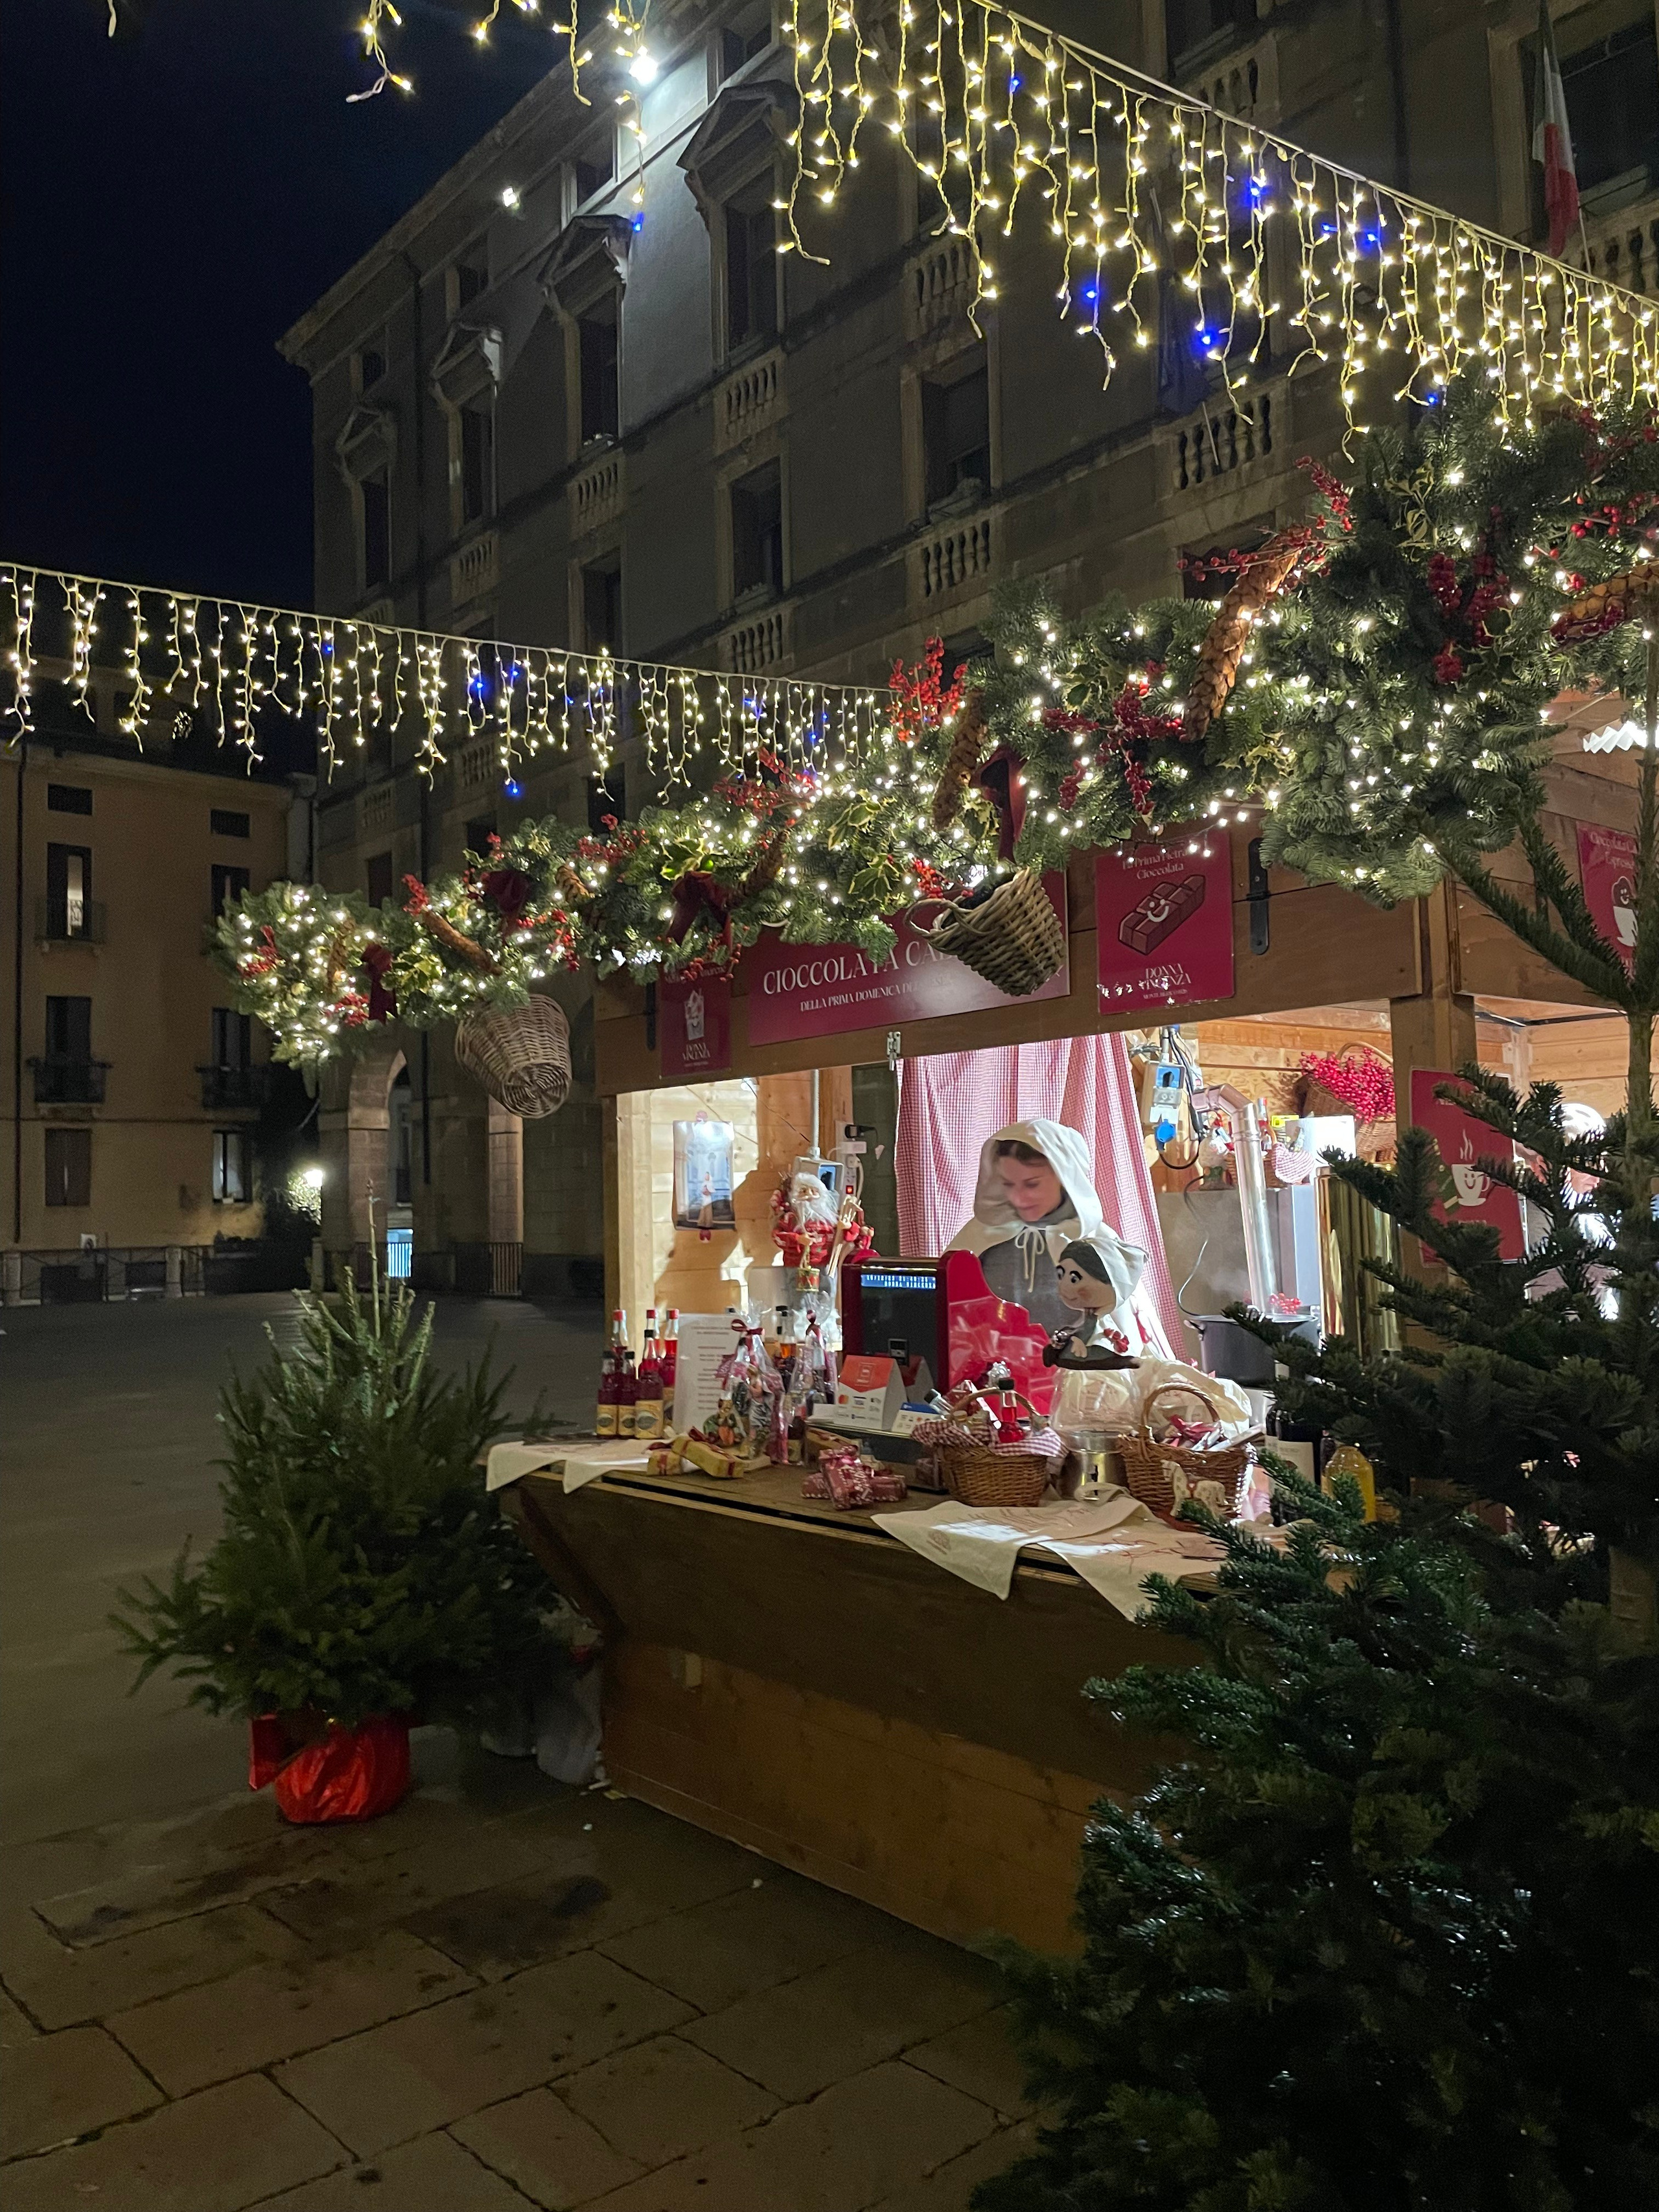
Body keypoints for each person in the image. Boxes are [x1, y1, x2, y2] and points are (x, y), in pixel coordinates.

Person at [946, 1119, 1149, 1342]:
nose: (1018, 1197)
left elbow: (1116, 1324)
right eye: (1008, 1184)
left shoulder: (1095, 1240)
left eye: (1032, 1184)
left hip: (1079, 1365)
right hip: (997, 1361)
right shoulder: (980, 1237)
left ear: (1066, 1179)